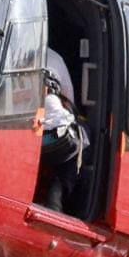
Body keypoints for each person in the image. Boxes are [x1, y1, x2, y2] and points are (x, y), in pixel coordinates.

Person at [36, 48, 86, 209]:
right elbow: (69, 101)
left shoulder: (8, 50)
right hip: (49, 139)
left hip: (19, 129)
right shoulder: (54, 57)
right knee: (84, 137)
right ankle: (55, 200)